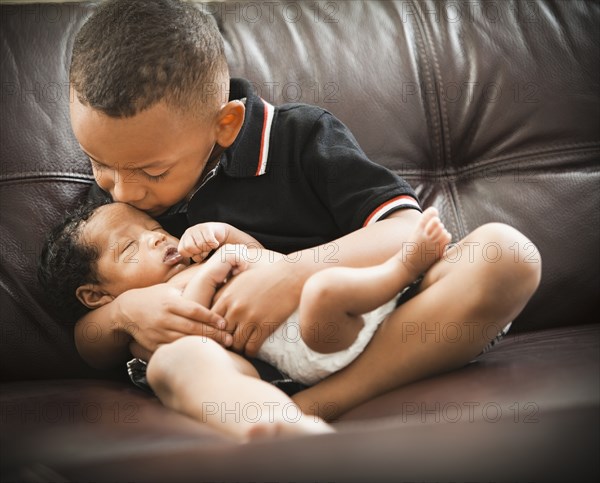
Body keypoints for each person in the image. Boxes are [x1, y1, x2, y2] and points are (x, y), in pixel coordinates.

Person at [67, 0, 541, 421]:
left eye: (152, 171)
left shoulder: (301, 137)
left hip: (374, 322)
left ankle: (320, 407)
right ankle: (269, 418)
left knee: (507, 254)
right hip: (246, 368)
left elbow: (405, 232)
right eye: (98, 163)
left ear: (225, 124)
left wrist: (293, 273)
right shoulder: (116, 200)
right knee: (176, 364)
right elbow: (88, 342)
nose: (123, 191)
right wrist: (126, 313)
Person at [39, 201, 453, 437]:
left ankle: (396, 276)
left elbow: (260, 261)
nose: (157, 237)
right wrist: (210, 276)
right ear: (96, 295)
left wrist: (229, 238)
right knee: (178, 362)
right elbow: (196, 324)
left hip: (314, 324)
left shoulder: (195, 256)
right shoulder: (150, 305)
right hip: (252, 363)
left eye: (154, 227)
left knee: (329, 289)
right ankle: (280, 426)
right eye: (129, 247)